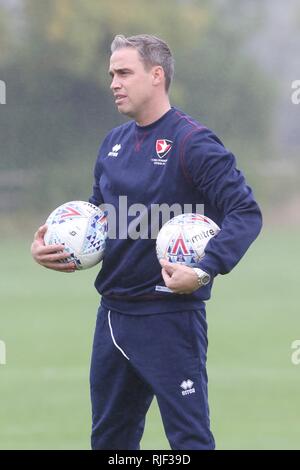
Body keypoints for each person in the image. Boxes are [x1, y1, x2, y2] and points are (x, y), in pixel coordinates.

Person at [31, 34, 262, 450]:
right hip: (113, 318)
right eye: (111, 74)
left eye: (124, 73)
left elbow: (245, 213)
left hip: (170, 320)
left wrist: (204, 269)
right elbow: (97, 214)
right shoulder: (112, 143)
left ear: (157, 76)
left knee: (189, 443)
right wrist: (57, 243)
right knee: (109, 443)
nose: (114, 83)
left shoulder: (194, 143)